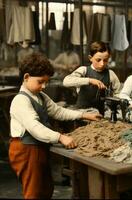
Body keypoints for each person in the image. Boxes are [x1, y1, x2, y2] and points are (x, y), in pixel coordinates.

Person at [8, 52, 102, 199]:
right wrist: (60, 137)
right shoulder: (20, 101)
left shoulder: (40, 96)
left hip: (39, 147)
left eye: (46, 82)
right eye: (40, 82)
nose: (44, 86)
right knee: (34, 192)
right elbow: (35, 128)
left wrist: (84, 115)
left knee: (46, 189)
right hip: (26, 150)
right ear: (26, 77)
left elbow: (58, 111)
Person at [63, 41, 121, 115]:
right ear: (90, 58)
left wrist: (113, 103)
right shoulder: (84, 70)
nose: (102, 64)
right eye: (98, 60)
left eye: (105, 60)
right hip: (82, 113)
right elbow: (66, 81)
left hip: (101, 114)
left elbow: (119, 93)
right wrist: (90, 80)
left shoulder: (111, 74)